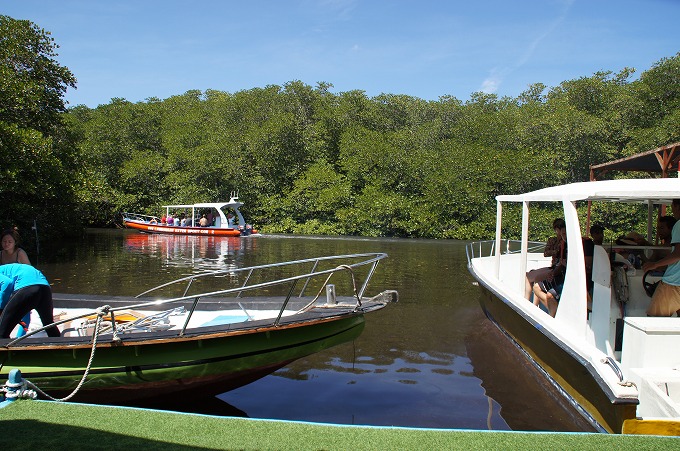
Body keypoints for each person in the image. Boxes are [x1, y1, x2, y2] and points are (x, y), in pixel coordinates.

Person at [0, 263, 60, 338]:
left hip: (27, 288)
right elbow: (25, 315)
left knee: (1, 332)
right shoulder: (9, 270)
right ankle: (63, 347)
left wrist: (1, 308)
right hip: (45, 289)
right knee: (49, 325)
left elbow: (7, 283)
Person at [643, 200, 680, 316]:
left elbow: (677, 255)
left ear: (676, 206)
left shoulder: (679, 224)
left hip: (673, 283)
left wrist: (654, 265)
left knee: (654, 320)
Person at [525, 218, 566, 300]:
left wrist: (554, 251)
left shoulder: (564, 242)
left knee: (537, 278)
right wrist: (555, 251)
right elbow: (546, 253)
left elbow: (557, 256)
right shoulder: (552, 240)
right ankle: (526, 300)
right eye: (557, 228)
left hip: (556, 268)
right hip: (553, 266)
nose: (559, 230)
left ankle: (534, 305)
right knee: (528, 274)